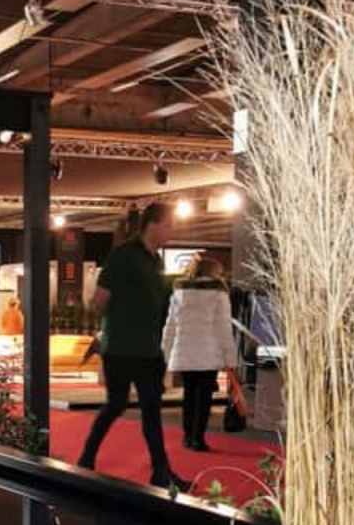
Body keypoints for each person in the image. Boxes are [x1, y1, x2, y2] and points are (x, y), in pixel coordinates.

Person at [76, 202, 188, 491]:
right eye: (169, 225)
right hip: (120, 349)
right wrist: (118, 320)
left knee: (151, 409)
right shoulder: (123, 256)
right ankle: (86, 457)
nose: (171, 231)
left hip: (148, 350)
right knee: (116, 404)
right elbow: (98, 302)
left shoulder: (156, 261)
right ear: (153, 224)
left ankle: (161, 471)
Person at [161, 254, 238, 452]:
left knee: (189, 395)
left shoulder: (179, 293)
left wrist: (166, 352)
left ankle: (187, 436)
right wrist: (230, 358)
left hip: (184, 351)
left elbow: (170, 326)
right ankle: (198, 438)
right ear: (213, 273)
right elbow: (224, 328)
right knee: (204, 397)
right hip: (208, 352)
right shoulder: (218, 295)